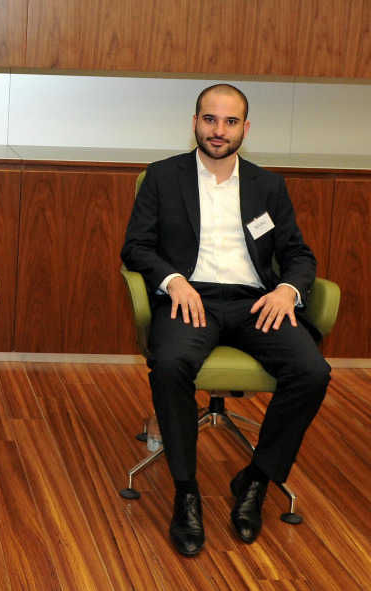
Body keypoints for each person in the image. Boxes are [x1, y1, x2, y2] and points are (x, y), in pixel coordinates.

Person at [121, 83, 331, 556]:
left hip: (256, 302)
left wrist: (287, 289)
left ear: (245, 128)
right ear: (194, 122)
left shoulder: (268, 185)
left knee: (312, 371)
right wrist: (173, 280)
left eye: (230, 121)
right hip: (190, 298)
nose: (219, 130)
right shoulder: (162, 176)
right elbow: (136, 246)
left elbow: (297, 254)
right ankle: (186, 492)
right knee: (170, 364)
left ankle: (256, 480)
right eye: (210, 119)